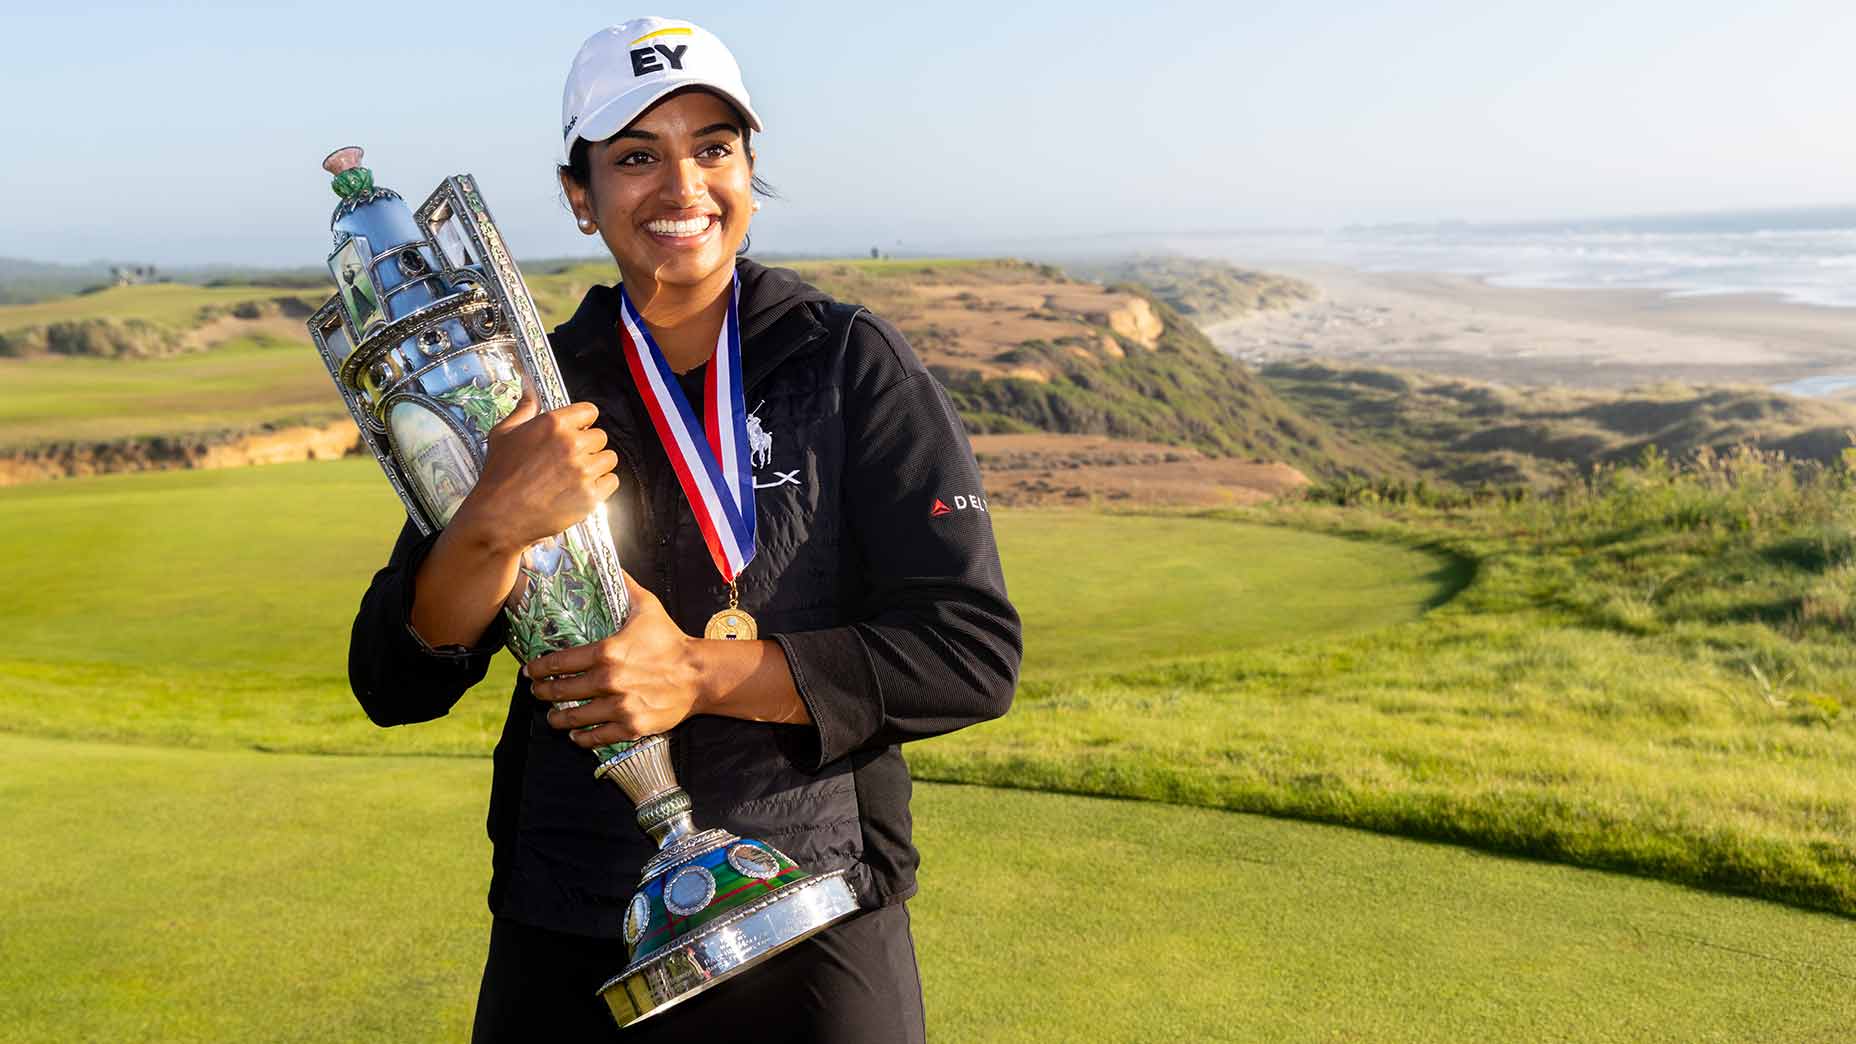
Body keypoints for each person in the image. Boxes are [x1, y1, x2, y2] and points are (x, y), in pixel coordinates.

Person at [346, 17, 1021, 1043]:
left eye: (712, 146)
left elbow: (968, 657)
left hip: (817, 903)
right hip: (576, 916)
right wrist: (486, 524)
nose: (681, 185)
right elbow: (397, 682)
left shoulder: (850, 362)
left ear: (749, 168)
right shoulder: (521, 389)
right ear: (580, 196)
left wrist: (694, 674)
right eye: (633, 157)